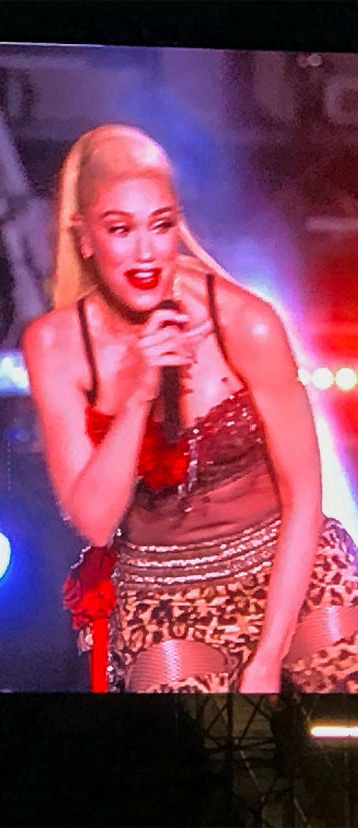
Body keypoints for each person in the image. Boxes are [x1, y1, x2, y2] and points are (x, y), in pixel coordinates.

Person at [22, 124, 358, 693]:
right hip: (163, 588)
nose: (146, 251)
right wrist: (140, 391)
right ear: (84, 237)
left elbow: (305, 495)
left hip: (285, 567)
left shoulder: (245, 321)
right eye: (120, 230)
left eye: (160, 226)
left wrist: (267, 657)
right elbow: (96, 522)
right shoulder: (56, 345)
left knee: (338, 682)